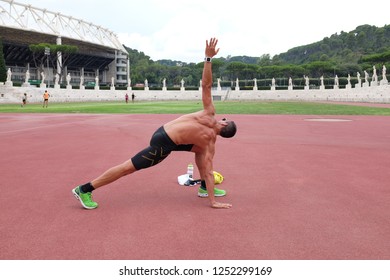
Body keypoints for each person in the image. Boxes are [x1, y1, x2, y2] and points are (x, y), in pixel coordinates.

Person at [72, 38, 236, 210]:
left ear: (224, 125)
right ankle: (84, 189)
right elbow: (209, 171)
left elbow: (206, 85)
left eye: (225, 119)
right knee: (128, 167)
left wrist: (208, 59)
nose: (222, 119)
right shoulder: (210, 143)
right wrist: (213, 202)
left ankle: (203, 187)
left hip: (162, 131)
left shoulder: (209, 114)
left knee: (199, 150)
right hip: (162, 145)